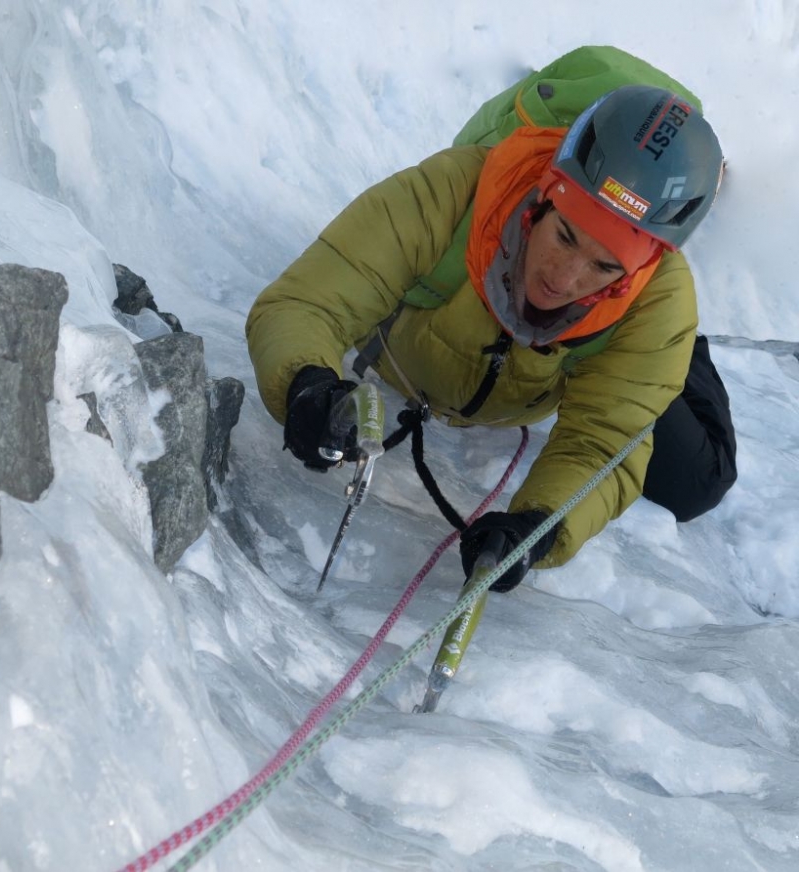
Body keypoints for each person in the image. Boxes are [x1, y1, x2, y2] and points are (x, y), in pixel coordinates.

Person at [246, 85, 737, 592]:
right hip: (446, 329)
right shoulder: (454, 191)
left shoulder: (657, 299)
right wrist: (304, 382)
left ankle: (679, 357)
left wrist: (538, 528)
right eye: (565, 236)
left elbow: (604, 444)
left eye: (603, 265)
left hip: (618, 331)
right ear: (542, 197)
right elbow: (308, 301)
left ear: (641, 268)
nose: (563, 280)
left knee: (696, 481)